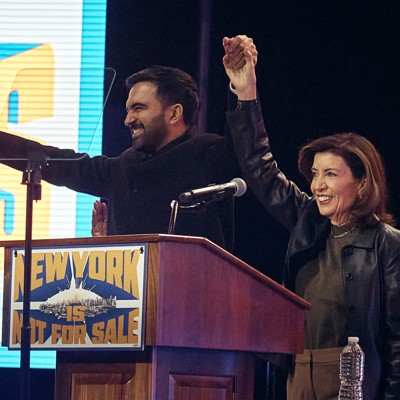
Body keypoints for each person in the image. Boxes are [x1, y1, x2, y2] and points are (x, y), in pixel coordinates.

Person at [223, 35, 400, 399]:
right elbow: (260, 169)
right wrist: (247, 94)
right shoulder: (309, 221)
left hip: (356, 376)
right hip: (300, 371)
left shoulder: (386, 242)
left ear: (362, 182)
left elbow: (397, 337)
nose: (318, 185)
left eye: (330, 174)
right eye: (315, 174)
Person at [0, 60, 254, 250]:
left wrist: (243, 90)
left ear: (174, 114)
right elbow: (61, 163)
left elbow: (248, 150)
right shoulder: (123, 166)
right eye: (128, 110)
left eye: (139, 108)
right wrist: (108, 248)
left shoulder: (209, 154)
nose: (128, 120)